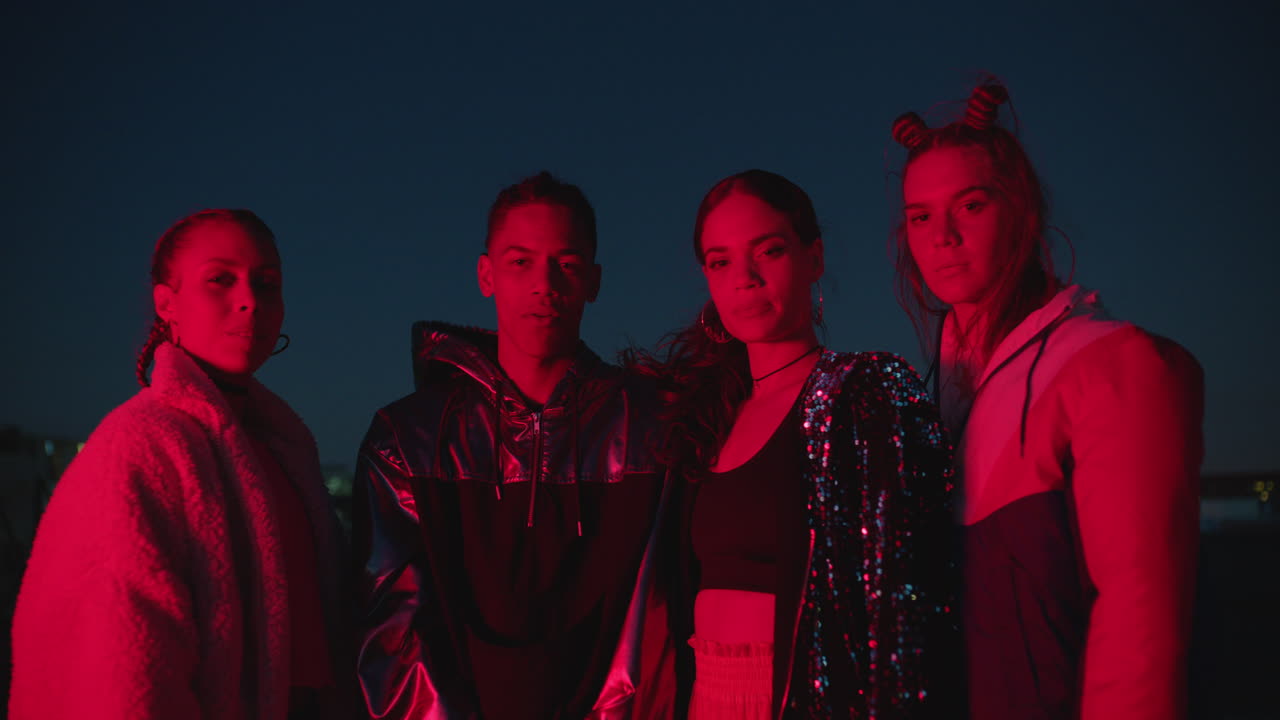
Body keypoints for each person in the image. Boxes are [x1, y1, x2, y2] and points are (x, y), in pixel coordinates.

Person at [891, 81, 1204, 719]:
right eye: (920, 215)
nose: (942, 235)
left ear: (1021, 208)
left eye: (970, 206)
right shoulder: (935, 403)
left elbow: (1139, 617)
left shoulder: (1107, 363)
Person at [634, 169, 955, 719]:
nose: (746, 278)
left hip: (803, 700)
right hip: (705, 697)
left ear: (815, 258)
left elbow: (911, 607)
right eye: (721, 261)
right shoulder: (706, 419)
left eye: (770, 251)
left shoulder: (864, 394)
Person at [9, 209, 349, 720]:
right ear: (166, 303)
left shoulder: (283, 450)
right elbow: (120, 666)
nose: (249, 300)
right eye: (220, 279)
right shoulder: (139, 446)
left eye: (267, 283)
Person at [354, 171, 668, 719]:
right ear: (486, 273)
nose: (544, 284)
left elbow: (658, 616)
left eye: (566, 264)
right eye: (521, 261)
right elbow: (392, 629)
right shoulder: (409, 438)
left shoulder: (650, 429)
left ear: (593, 280)